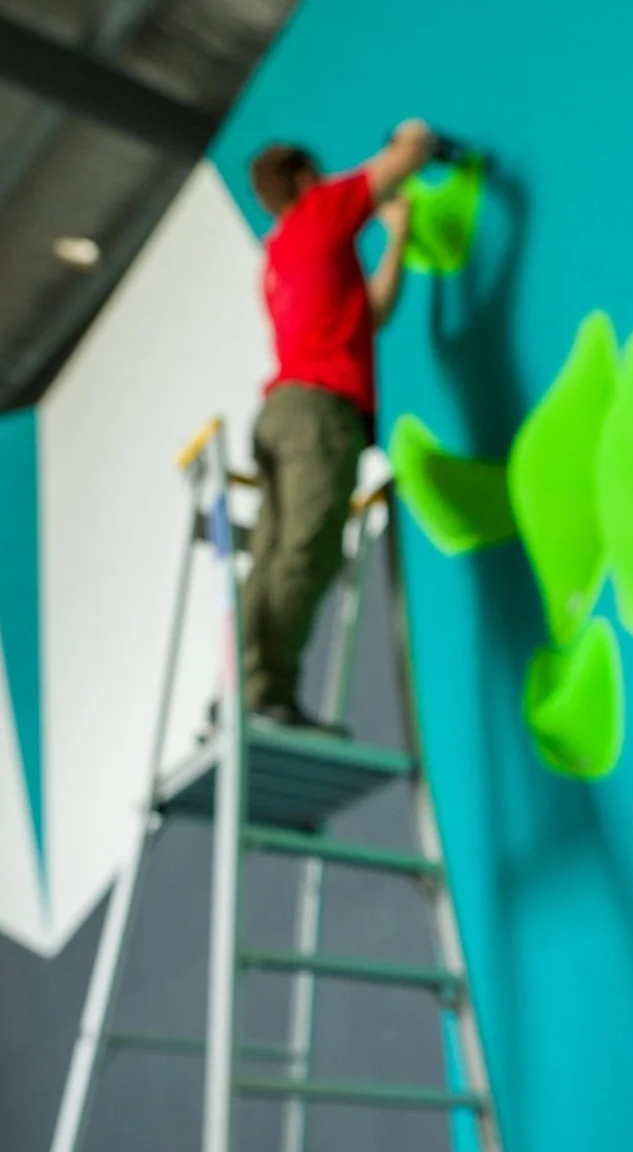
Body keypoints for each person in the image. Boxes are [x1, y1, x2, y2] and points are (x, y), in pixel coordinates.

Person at [240, 120, 437, 728]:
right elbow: (410, 154)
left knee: (274, 555)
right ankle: (262, 697)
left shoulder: (276, 258)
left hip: (281, 414)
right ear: (304, 178)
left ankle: (251, 690)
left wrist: (397, 239)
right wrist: (412, 135)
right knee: (308, 549)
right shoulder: (321, 213)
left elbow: (368, 313)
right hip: (319, 415)